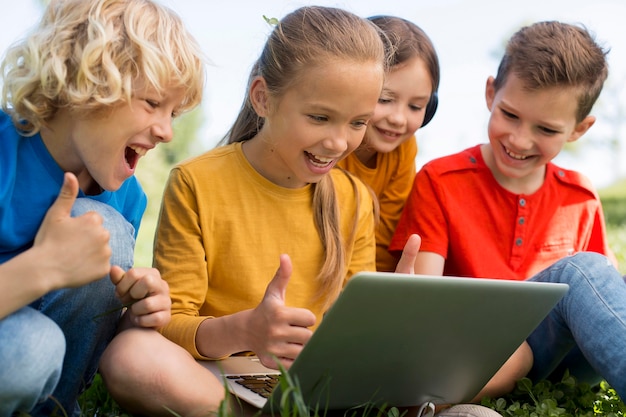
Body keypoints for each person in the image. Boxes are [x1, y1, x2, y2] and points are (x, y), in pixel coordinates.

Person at [99, 6, 502, 417]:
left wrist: (390, 319)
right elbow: (174, 321)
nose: (338, 142)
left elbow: (351, 334)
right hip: (222, 376)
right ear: (263, 98)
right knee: (131, 356)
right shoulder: (196, 182)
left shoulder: (355, 200)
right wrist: (246, 330)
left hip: (320, 386)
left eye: (357, 122)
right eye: (320, 118)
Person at [390, 21, 626, 400]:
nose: (519, 140)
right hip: (474, 351)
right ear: (490, 94)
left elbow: (604, 301)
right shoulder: (441, 180)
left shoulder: (579, 195)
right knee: (585, 271)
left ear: (579, 129)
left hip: (558, 359)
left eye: (546, 130)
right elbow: (425, 304)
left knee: (595, 274)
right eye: (510, 115)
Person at [0, 0, 205, 415]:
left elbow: (88, 331)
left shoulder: (127, 197)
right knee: (30, 348)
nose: (167, 131)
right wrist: (44, 267)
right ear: (85, 80)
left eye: (174, 112)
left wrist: (134, 315)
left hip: (47, 379)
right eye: (151, 103)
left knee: (102, 228)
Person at [338, 15, 439, 272]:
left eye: (416, 106)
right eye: (384, 100)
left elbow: (384, 239)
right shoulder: (330, 145)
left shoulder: (404, 148)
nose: (398, 119)